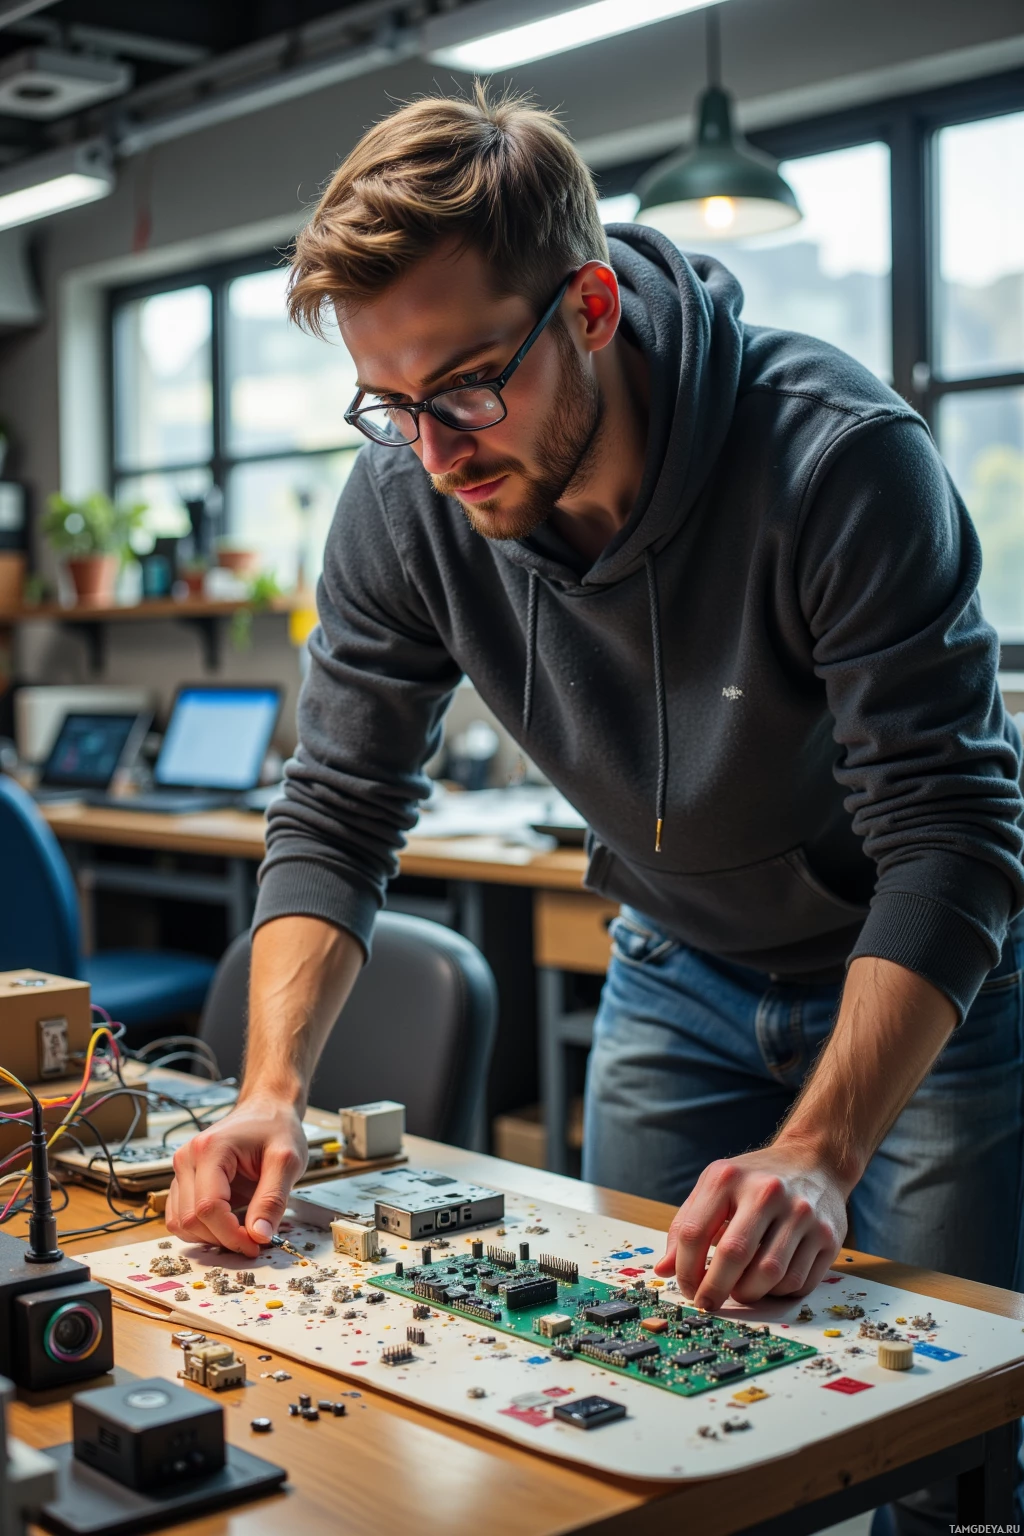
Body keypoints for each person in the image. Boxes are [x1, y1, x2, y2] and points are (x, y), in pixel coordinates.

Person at [168, 86, 1024, 1533]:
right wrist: (270, 1091)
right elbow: (337, 804)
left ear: (593, 307)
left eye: (468, 387)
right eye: (391, 402)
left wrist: (822, 1152)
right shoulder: (407, 495)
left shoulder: (837, 459)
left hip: (915, 994)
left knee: (930, 1444)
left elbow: (952, 837)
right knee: (633, 1420)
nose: (433, 451)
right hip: (675, 975)